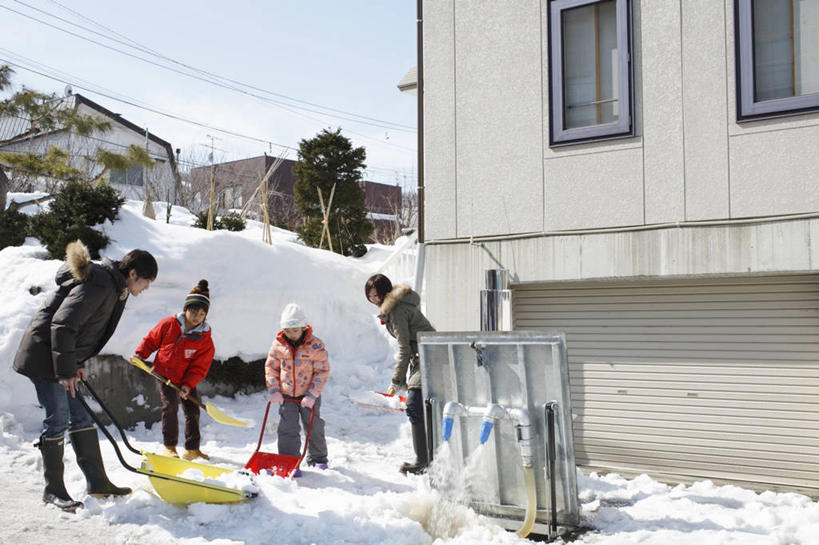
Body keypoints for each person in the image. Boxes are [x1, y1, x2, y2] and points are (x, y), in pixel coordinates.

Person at [13, 240, 157, 512]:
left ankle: (98, 482)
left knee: (80, 415)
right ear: (133, 274)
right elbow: (63, 325)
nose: (146, 288)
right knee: (57, 418)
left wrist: (76, 362)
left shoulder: (112, 287)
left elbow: (81, 328)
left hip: (60, 357)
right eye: (146, 281)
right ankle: (53, 491)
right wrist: (66, 369)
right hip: (45, 357)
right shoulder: (101, 285)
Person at [134, 279, 215, 461]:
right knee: (170, 407)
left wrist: (188, 385)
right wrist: (140, 355)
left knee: (193, 410)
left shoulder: (204, 339)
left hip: (185, 379)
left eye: (202, 313)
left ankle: (192, 448)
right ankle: (169, 447)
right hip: (164, 375)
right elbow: (151, 340)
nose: (197, 316)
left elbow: (199, 366)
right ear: (185, 309)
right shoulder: (168, 324)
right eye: (193, 311)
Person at [365, 274, 435, 475]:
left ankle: (422, 462)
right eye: (369, 296)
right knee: (421, 407)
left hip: (429, 355)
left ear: (386, 292)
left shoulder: (397, 310)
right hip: (420, 357)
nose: (373, 299)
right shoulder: (396, 306)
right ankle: (426, 459)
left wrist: (397, 379)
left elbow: (404, 347)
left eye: (376, 295)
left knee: (414, 406)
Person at [265, 303, 330, 473]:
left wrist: (313, 393)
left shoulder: (315, 345)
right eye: (288, 330)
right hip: (287, 396)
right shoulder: (278, 345)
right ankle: (289, 461)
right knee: (288, 429)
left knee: (313, 426)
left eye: (295, 330)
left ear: (303, 327)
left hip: (309, 395)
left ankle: (318, 458)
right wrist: (274, 390)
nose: (292, 335)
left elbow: (322, 370)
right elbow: (271, 368)